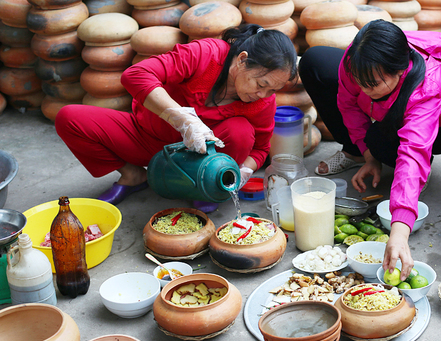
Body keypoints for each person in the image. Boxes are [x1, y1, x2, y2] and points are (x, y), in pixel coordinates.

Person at [299, 20, 441, 279]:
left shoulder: (426, 88)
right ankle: (357, 152)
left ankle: (411, 185)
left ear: (400, 71)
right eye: (359, 81)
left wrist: (400, 233)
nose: (362, 89)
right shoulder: (357, 59)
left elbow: (413, 152)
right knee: (315, 61)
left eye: (371, 85)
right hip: (393, 101)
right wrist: (366, 154)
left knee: (395, 154)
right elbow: (347, 103)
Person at [55, 24, 297, 212]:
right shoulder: (206, 54)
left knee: (241, 131)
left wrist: (245, 169)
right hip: (146, 137)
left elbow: (261, 148)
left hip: (200, 159)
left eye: (271, 90)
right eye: (260, 84)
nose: (262, 94)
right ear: (242, 59)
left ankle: (203, 188)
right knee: (69, 117)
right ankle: (134, 175)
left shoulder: (262, 101)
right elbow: (136, 74)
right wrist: (181, 118)